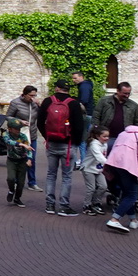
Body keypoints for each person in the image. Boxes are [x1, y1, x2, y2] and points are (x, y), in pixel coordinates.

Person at [37, 79, 83, 217]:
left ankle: (50, 205)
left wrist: (47, 137)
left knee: (51, 174)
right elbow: (79, 126)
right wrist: (75, 142)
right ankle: (64, 206)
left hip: (51, 143)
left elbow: (39, 122)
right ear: (68, 89)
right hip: (68, 145)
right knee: (67, 176)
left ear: (57, 88)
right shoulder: (73, 103)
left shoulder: (47, 101)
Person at [6, 85, 42, 191]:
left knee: (32, 158)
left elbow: (41, 116)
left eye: (35, 95)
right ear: (24, 94)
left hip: (32, 134)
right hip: (20, 135)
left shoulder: (35, 104)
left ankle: (32, 182)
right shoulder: (15, 103)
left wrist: (40, 105)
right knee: (20, 158)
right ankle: (17, 181)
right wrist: (20, 122)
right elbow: (8, 117)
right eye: (31, 95)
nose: (33, 98)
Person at [93, 81, 138, 148]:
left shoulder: (133, 105)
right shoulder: (104, 101)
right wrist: (97, 129)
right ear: (118, 91)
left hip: (124, 138)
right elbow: (96, 115)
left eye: (129, 93)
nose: (127, 96)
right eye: (125, 93)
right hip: (106, 137)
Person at [3, 118, 32, 207]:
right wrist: (20, 144)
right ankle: (11, 190)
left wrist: (29, 159)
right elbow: (8, 141)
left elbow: (29, 149)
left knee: (21, 182)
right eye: (16, 129)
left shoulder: (23, 136)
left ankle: (17, 198)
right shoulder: (6, 134)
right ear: (10, 129)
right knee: (11, 178)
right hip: (11, 160)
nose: (18, 131)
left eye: (19, 128)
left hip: (22, 161)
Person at [81, 125, 109, 215]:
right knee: (91, 188)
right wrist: (109, 164)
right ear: (97, 136)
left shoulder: (105, 144)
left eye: (107, 136)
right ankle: (87, 205)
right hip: (88, 169)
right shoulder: (94, 144)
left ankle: (96, 203)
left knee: (103, 186)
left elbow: (104, 156)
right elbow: (99, 157)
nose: (106, 138)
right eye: (104, 136)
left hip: (98, 169)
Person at [71, 70, 94, 169]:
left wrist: (79, 110)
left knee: (81, 139)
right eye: (73, 78)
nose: (73, 80)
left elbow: (83, 101)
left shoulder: (84, 86)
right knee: (83, 139)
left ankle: (81, 162)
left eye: (75, 78)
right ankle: (83, 162)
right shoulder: (86, 85)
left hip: (85, 115)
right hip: (88, 114)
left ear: (81, 77)